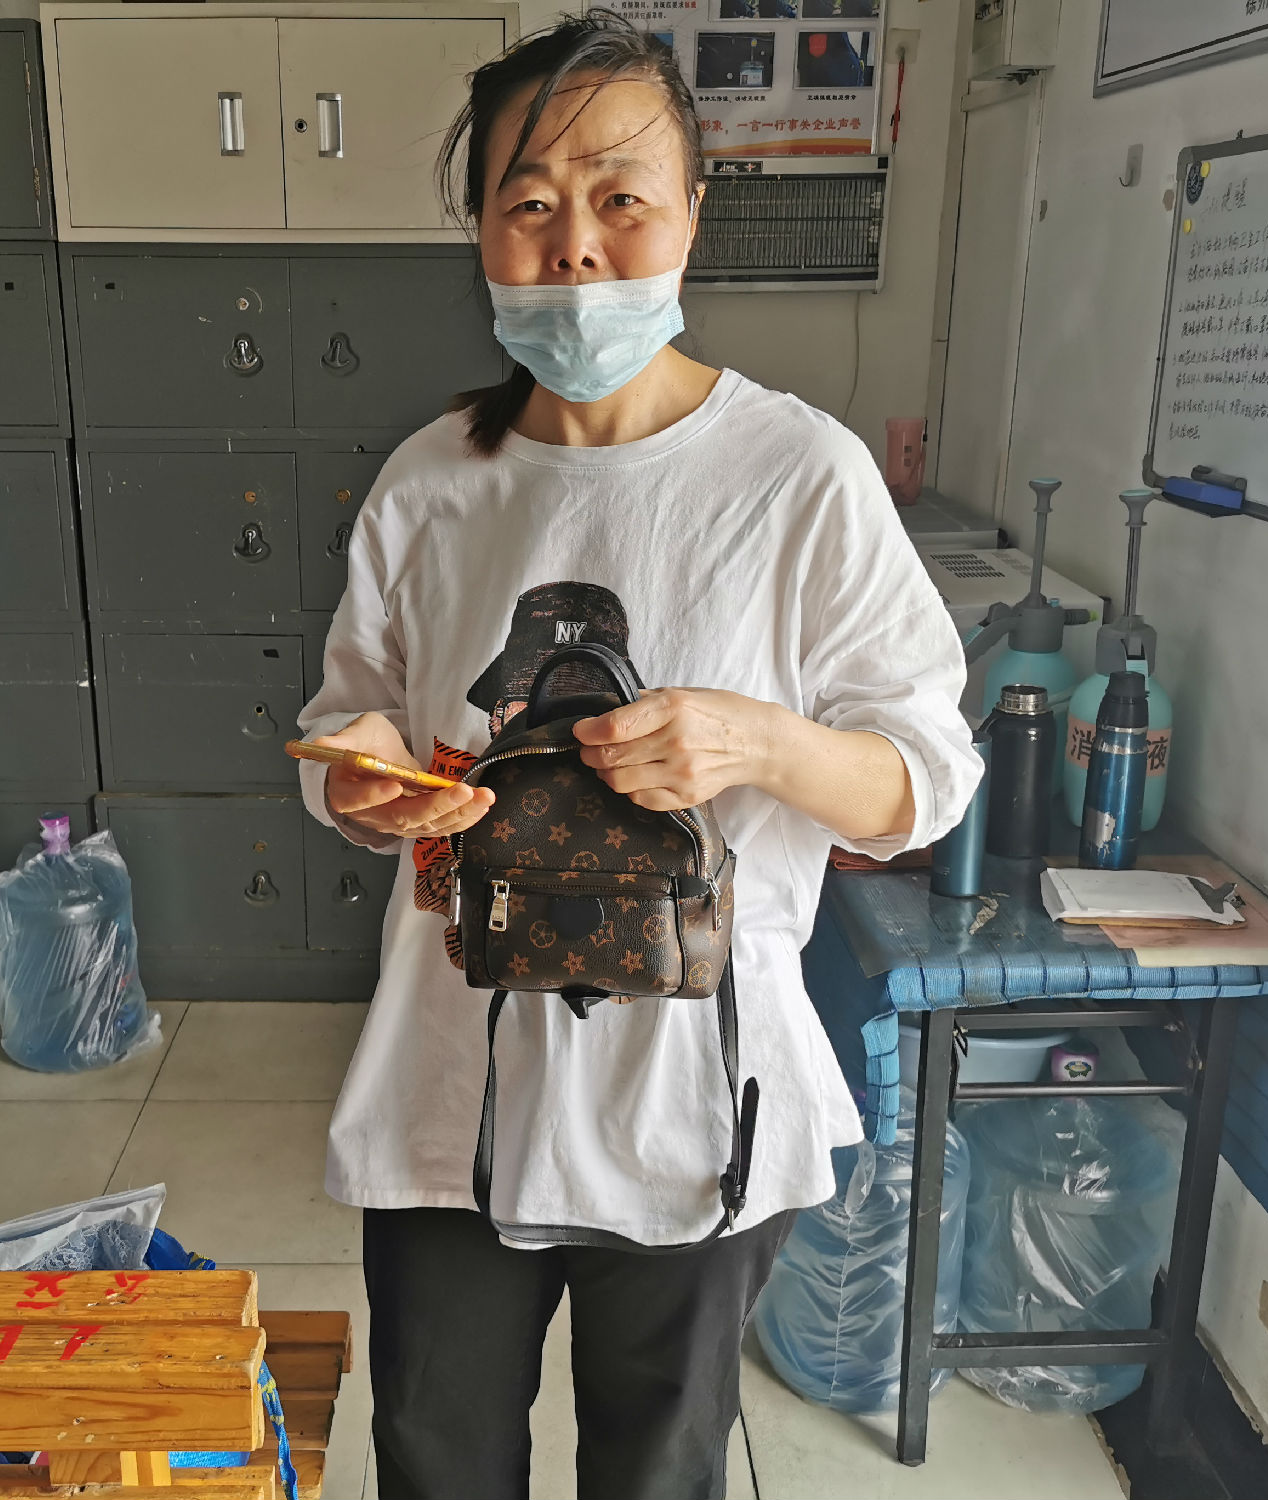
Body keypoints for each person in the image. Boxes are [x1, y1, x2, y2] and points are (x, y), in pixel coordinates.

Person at [296, 13, 980, 1498]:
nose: (576, 247)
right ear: (480, 228)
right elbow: (357, 719)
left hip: (694, 1092)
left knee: (657, 1469)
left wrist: (759, 740)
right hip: (455, 1078)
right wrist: (357, 778)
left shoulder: (798, 475)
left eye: (621, 197)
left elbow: (924, 775)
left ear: (690, 213)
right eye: (529, 203)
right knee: (433, 1456)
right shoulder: (433, 482)